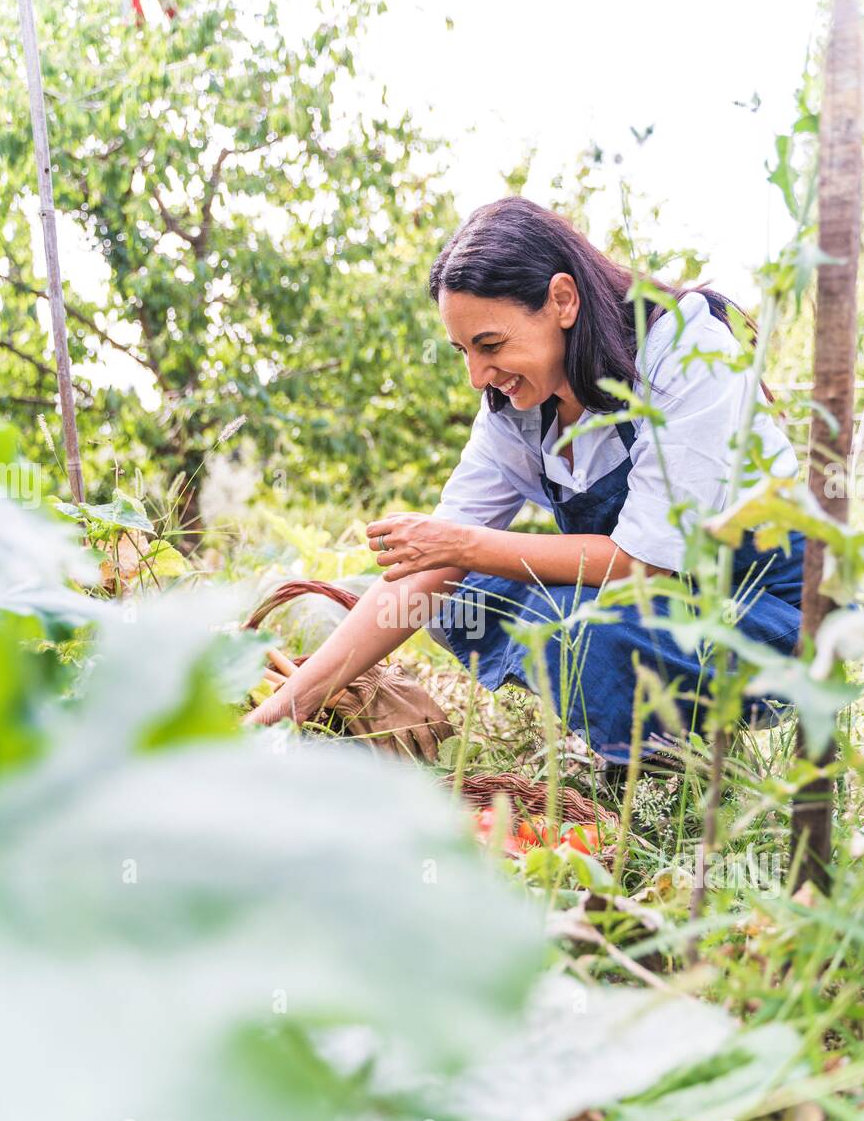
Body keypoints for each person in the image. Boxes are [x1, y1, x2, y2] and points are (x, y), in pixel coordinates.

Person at [247, 196, 804, 766]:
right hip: (654, 609)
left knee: (583, 624)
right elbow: (425, 566)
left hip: (765, 617)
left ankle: (681, 752)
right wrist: (287, 707)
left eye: (490, 345)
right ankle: (629, 736)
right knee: (452, 597)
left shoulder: (683, 350)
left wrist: (461, 545)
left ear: (562, 300)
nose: (475, 376)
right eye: (463, 351)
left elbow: (644, 560)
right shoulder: (516, 409)